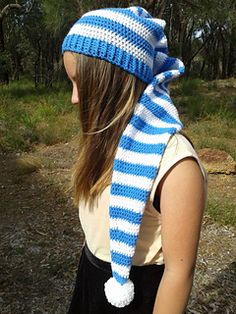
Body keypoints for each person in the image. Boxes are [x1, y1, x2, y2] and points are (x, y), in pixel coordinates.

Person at [62, 6, 207, 314]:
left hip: (137, 296)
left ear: (109, 82)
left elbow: (178, 274)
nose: (74, 98)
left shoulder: (176, 166)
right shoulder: (102, 141)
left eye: (79, 82)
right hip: (92, 281)